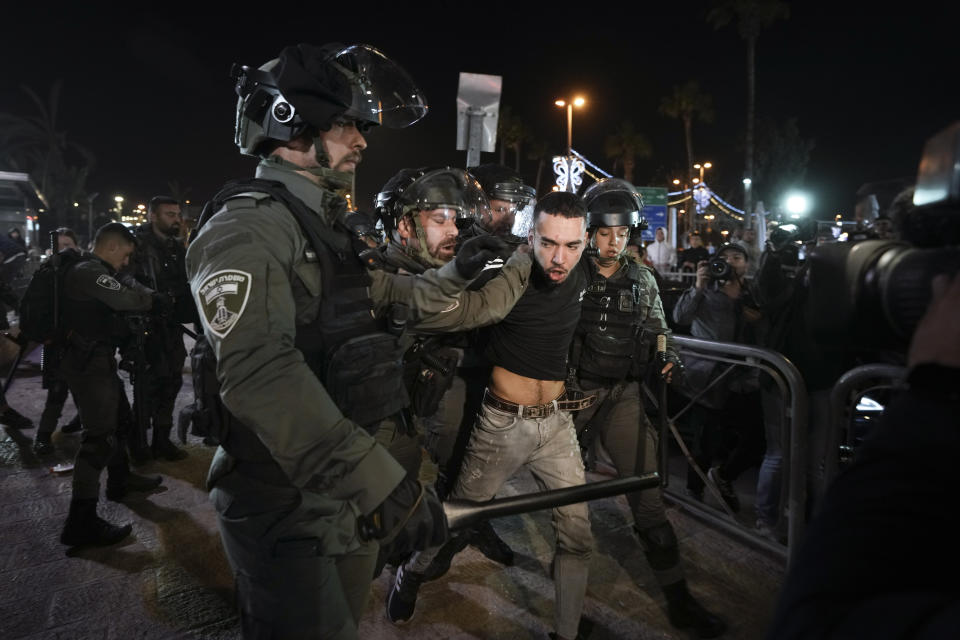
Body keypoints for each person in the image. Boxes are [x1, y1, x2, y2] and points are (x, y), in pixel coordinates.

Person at [185, 43, 507, 638]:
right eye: (346, 124)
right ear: (290, 122)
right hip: (287, 496)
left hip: (346, 487)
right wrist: (378, 481)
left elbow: (391, 297)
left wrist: (458, 273)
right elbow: (260, 376)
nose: (362, 141)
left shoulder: (324, 227)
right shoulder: (249, 226)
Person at [388, 191, 595, 640]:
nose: (559, 257)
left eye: (571, 245)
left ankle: (567, 633)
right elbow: (462, 307)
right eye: (548, 243)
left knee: (577, 535)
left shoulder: (585, 274)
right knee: (456, 516)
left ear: (585, 241)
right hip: (502, 424)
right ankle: (411, 573)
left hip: (557, 425)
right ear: (530, 236)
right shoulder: (510, 274)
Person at [570, 179, 726, 638]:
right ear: (590, 231)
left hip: (623, 396)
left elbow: (661, 330)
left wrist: (668, 359)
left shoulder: (640, 277)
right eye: (604, 233)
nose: (613, 242)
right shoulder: (566, 272)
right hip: (571, 398)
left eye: (621, 234)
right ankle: (567, 608)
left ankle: (679, 600)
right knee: (562, 510)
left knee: (650, 502)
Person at [765, 274, 960, 639]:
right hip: (793, 383)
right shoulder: (783, 289)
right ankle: (772, 520)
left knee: (814, 463)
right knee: (783, 456)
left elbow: (818, 619)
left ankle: (793, 523)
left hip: (824, 384)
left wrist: (935, 388)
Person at [59, 223, 164, 547]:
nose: (125, 264)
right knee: (99, 438)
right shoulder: (88, 271)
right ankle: (81, 522)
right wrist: (153, 301)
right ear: (113, 247)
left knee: (121, 421)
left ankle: (120, 481)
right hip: (86, 364)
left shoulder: (94, 269)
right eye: (125, 256)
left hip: (97, 361)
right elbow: (126, 300)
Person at [673, 243, 765, 511]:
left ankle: (724, 475)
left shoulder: (752, 294)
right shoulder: (707, 291)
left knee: (756, 438)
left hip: (744, 379)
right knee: (706, 440)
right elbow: (681, 317)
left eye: (737, 257)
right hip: (708, 378)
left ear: (747, 264)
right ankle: (694, 492)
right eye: (723, 258)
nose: (730, 262)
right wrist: (699, 286)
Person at [129, 195, 196, 461]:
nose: (176, 219)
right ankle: (137, 444)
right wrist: (150, 297)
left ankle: (161, 439)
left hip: (171, 326)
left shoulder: (176, 246)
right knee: (147, 387)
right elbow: (123, 277)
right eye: (169, 214)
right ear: (153, 216)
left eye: (177, 214)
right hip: (146, 325)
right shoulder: (137, 245)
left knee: (171, 382)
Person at [33, 228, 82, 455]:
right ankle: (43, 435)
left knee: (88, 390)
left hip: (82, 341)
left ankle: (80, 420)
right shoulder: (46, 273)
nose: (64, 251)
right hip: (56, 343)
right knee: (56, 392)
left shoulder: (84, 271)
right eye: (59, 246)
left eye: (68, 246)